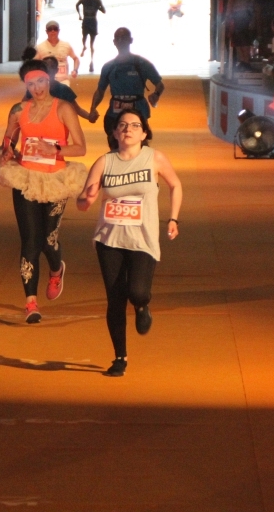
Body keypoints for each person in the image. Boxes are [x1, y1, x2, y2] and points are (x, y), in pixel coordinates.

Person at [76, 110, 182, 377]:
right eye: (122, 125)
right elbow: (83, 203)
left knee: (137, 292)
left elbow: (175, 185)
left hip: (142, 238)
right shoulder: (104, 162)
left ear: (144, 133)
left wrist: (173, 219)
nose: (128, 129)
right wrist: (87, 197)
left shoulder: (154, 158)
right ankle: (120, 357)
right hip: (109, 239)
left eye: (135, 125)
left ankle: (142, 306)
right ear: (114, 132)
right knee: (115, 299)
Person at [0, 59, 87, 323]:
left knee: (48, 240)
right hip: (27, 179)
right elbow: (8, 139)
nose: (37, 88)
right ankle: (31, 303)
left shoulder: (64, 108)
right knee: (30, 242)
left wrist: (54, 150)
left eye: (41, 81)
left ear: (49, 80)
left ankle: (56, 270)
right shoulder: (18, 110)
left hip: (57, 180)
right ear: (26, 85)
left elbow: (81, 147)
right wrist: (8, 150)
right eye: (31, 84)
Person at [89, 28, 164, 151]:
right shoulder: (108, 67)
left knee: (139, 148)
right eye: (118, 39)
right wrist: (93, 108)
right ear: (114, 42)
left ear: (130, 40)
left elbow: (160, 84)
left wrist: (156, 94)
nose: (121, 41)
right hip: (114, 114)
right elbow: (100, 90)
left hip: (138, 112)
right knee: (115, 148)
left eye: (124, 38)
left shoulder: (142, 64)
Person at [221, 0, 254, 64]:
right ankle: (245, 60)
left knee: (240, 38)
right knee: (244, 36)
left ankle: (244, 60)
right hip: (247, 12)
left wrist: (227, 15)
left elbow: (231, 0)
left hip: (239, 13)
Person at [75, 0, 106, 72]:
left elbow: (104, 11)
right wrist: (79, 14)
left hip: (89, 20)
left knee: (87, 39)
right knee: (88, 40)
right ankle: (85, 48)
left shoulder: (89, 0)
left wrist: (79, 15)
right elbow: (104, 11)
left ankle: (91, 60)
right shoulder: (94, 0)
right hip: (90, 20)